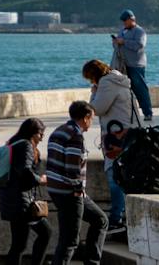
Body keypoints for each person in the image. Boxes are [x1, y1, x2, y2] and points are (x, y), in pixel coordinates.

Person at [46, 100, 107, 264]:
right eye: (91, 118)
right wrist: (79, 190)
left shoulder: (59, 131)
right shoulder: (75, 136)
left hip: (56, 190)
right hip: (71, 193)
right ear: (85, 117)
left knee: (100, 220)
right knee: (70, 241)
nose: (91, 123)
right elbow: (72, 169)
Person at [84, 59, 138, 229]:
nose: (91, 82)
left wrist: (94, 92)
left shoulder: (107, 83)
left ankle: (116, 218)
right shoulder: (119, 80)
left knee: (114, 175)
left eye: (90, 78)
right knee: (124, 176)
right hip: (129, 133)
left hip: (116, 135)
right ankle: (125, 216)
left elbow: (96, 109)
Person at [0, 117, 54, 265]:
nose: (42, 138)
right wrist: (41, 180)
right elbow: (25, 171)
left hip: (9, 197)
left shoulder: (13, 143)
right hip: (21, 201)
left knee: (19, 244)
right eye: (41, 134)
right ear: (33, 133)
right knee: (45, 232)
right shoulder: (26, 146)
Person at [113, 10, 153, 122]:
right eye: (123, 21)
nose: (124, 23)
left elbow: (139, 45)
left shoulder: (140, 31)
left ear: (132, 19)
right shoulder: (122, 31)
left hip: (136, 65)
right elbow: (117, 45)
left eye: (125, 20)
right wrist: (116, 42)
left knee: (140, 89)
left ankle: (147, 113)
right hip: (123, 65)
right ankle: (126, 113)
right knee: (123, 90)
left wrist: (124, 42)